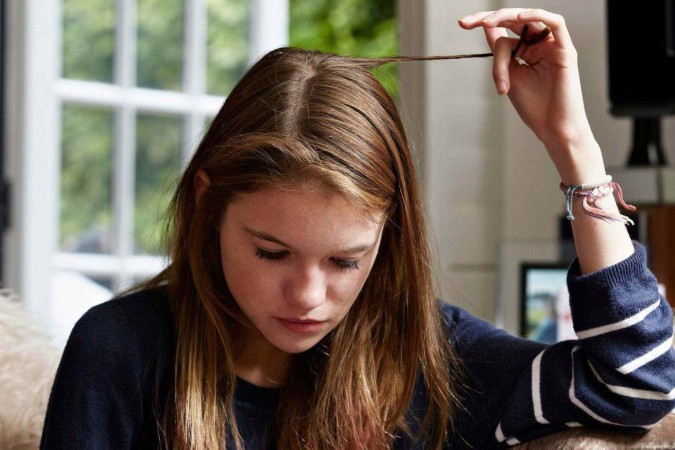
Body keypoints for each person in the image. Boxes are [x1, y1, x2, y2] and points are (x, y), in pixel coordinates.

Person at [40, 7, 675, 450]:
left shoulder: (429, 360)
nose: (308, 296)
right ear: (208, 208)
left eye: (345, 260)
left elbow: (636, 383)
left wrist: (575, 149)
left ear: (388, 237)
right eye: (271, 252)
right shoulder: (121, 350)